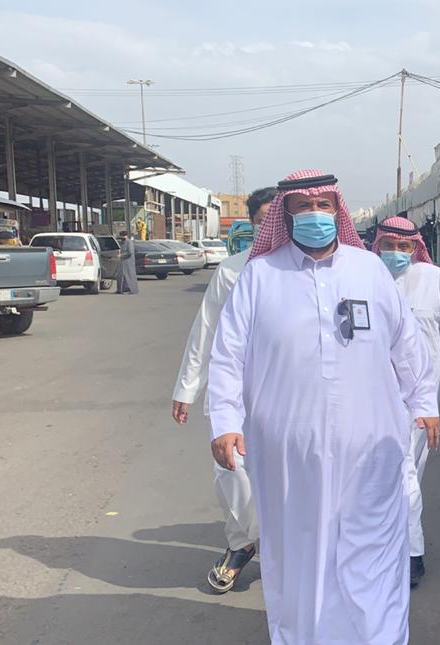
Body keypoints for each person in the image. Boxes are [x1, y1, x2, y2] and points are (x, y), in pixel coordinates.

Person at [206, 169, 438, 644]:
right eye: (303, 207)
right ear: (287, 215)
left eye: (323, 205)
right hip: (288, 450)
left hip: (370, 442)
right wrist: (225, 420)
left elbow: (407, 344)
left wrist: (425, 400)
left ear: (337, 210)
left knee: (373, 547)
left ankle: (378, 636)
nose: (315, 214)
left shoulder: (368, 269)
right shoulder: (260, 275)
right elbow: (228, 353)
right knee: (300, 552)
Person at [170, 186, 275, 593]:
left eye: (275, 218)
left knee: (286, 471)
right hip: (231, 389)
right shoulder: (231, 271)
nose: (269, 226)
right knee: (231, 470)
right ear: (252, 225)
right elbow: (205, 331)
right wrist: (187, 387)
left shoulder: (303, 272)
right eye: (262, 220)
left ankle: (280, 546)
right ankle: (243, 542)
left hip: (284, 392)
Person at [374, 216, 440, 587]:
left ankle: (403, 548)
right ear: (378, 245)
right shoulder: (364, 277)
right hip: (373, 395)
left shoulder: (434, 279)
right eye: (389, 245)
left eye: (404, 246)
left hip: (420, 398)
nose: (396, 253)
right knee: (394, 474)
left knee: (408, 472)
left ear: (416, 247)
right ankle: (409, 552)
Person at [115, 229, 139, 294]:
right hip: (122, 261)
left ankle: (132, 290)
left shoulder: (129, 242)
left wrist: (121, 255)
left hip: (128, 262)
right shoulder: (121, 242)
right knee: (121, 276)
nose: (121, 238)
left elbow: (130, 252)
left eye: (123, 236)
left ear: (126, 236)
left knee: (129, 276)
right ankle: (120, 290)